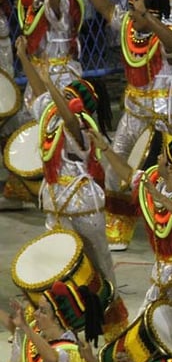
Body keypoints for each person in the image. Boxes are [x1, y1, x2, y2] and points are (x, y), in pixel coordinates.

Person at [76, 0, 172, 250]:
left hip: (162, 120)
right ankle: (120, 221)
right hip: (132, 114)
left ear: (151, 11)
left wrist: (149, 19)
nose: (129, 12)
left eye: (136, 8)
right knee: (114, 166)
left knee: (166, 174)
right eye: (131, 8)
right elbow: (106, 10)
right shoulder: (130, 27)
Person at [18, 35, 128, 340]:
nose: (60, 98)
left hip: (83, 208)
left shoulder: (81, 126)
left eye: (67, 94)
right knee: (55, 266)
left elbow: (62, 110)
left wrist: (50, 83)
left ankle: (112, 323)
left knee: (99, 267)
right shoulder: (50, 119)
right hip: (57, 205)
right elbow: (40, 95)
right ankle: (57, 322)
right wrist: (24, 57)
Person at [88, 130, 172, 362]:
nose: (157, 158)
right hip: (162, 275)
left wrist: (161, 199)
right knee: (146, 325)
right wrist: (106, 149)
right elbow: (129, 174)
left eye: (162, 157)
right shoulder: (154, 184)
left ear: (171, 167)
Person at [1, 0, 84, 209]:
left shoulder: (63, 3)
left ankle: (72, 189)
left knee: (62, 136)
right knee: (29, 132)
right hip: (38, 73)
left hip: (62, 77)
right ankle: (24, 190)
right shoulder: (32, 2)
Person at [0, 281, 104, 362]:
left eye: (43, 311)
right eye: (38, 308)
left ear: (57, 320)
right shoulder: (36, 328)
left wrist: (25, 327)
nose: (36, 314)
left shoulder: (69, 350)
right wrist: (22, 325)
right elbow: (17, 331)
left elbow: (53, 359)